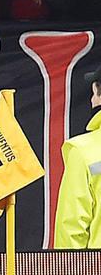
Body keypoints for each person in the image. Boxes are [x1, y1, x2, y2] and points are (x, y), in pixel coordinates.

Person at [54, 63, 101, 248]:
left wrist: (65, 273)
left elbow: (71, 229)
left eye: (94, 92)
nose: (91, 100)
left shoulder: (84, 151)